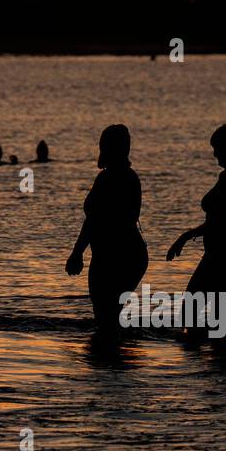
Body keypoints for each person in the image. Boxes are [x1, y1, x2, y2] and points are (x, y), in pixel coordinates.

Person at [167, 126, 226, 337]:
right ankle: (212, 367)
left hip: (225, 258)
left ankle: (217, 365)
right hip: (216, 256)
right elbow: (218, 222)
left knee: (206, 320)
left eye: (217, 148)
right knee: (198, 318)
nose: (214, 153)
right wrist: (185, 237)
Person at [65, 125, 147, 336]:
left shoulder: (110, 178)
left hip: (115, 255)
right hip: (125, 253)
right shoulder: (129, 176)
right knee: (109, 316)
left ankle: (108, 362)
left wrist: (77, 252)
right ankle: (113, 361)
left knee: (106, 317)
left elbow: (95, 220)